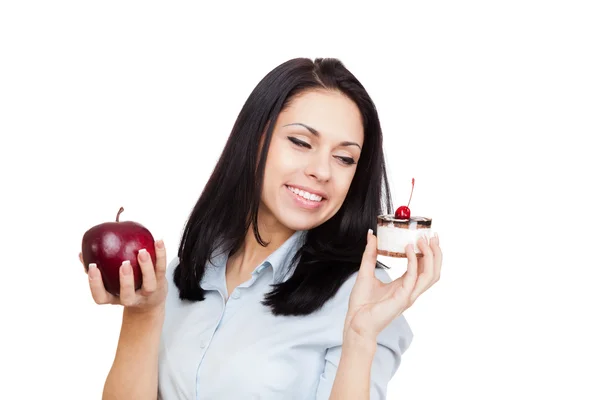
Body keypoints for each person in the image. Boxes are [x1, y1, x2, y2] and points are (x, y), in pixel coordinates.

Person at [80, 57, 443, 399]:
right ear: (255, 139)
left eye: (344, 158)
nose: (323, 171)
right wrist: (143, 312)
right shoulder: (183, 274)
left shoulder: (367, 301)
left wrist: (361, 337)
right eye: (301, 142)